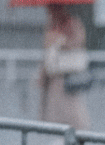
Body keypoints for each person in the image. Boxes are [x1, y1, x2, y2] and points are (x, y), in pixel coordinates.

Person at [38, 3, 90, 131]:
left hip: (67, 74)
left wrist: (63, 42)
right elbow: (47, 50)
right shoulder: (50, 26)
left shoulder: (72, 23)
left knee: (71, 106)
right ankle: (61, 133)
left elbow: (79, 42)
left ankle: (74, 131)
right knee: (55, 108)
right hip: (53, 75)